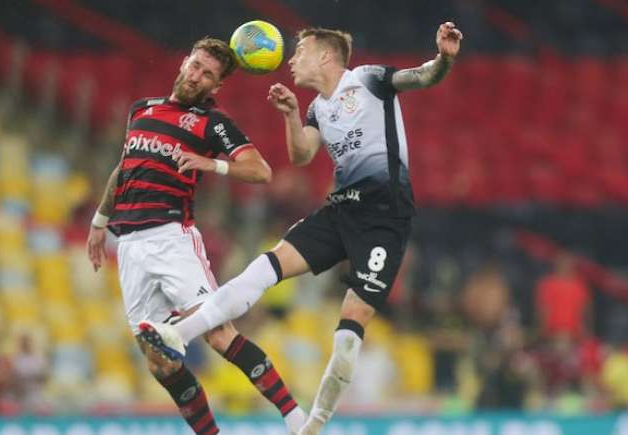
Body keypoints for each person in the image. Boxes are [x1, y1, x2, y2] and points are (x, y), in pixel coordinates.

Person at [139, 23, 464, 434]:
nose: (291, 60)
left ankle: (313, 425)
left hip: (384, 219)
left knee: (348, 335)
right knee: (264, 267)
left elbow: (422, 76)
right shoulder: (317, 108)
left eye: (300, 51)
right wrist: (293, 115)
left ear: (326, 56)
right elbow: (302, 155)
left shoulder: (367, 79)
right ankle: (178, 334)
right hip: (340, 211)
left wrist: (445, 58)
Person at [86, 37, 305, 435]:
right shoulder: (143, 110)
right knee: (159, 360)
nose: (198, 76)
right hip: (130, 245)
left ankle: (296, 417)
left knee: (218, 335)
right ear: (185, 61)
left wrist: (211, 164)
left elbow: (261, 171)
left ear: (216, 87)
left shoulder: (212, 122)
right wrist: (100, 221)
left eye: (208, 74)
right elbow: (124, 168)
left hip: (172, 237)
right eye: (196, 65)